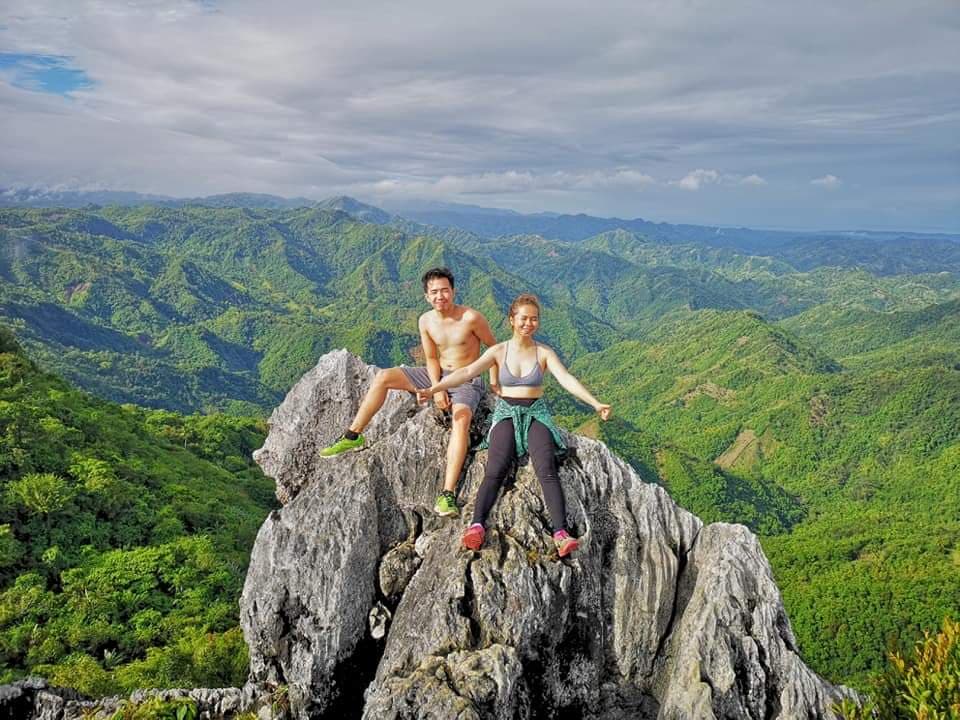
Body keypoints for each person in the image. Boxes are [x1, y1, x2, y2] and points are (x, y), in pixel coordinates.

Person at [416, 293, 611, 557]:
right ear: (511, 320)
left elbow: (566, 379)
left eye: (533, 319)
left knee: (546, 469)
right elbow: (465, 372)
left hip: (535, 413)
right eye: (523, 318)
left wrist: (595, 403)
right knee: (495, 469)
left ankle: (561, 533)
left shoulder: (543, 352)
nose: (528, 323)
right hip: (506, 411)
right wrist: (434, 388)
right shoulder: (498, 351)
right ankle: (476, 526)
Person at [320, 267, 499, 517]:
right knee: (383, 377)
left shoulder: (471, 318)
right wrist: (436, 388)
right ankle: (353, 436)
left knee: (461, 420)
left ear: (453, 291)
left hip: (465, 379)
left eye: (445, 290)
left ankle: (447, 494)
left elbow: (494, 349)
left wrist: (492, 381)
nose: (440, 296)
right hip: (436, 374)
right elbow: (430, 357)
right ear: (426, 296)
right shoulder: (425, 320)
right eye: (434, 292)